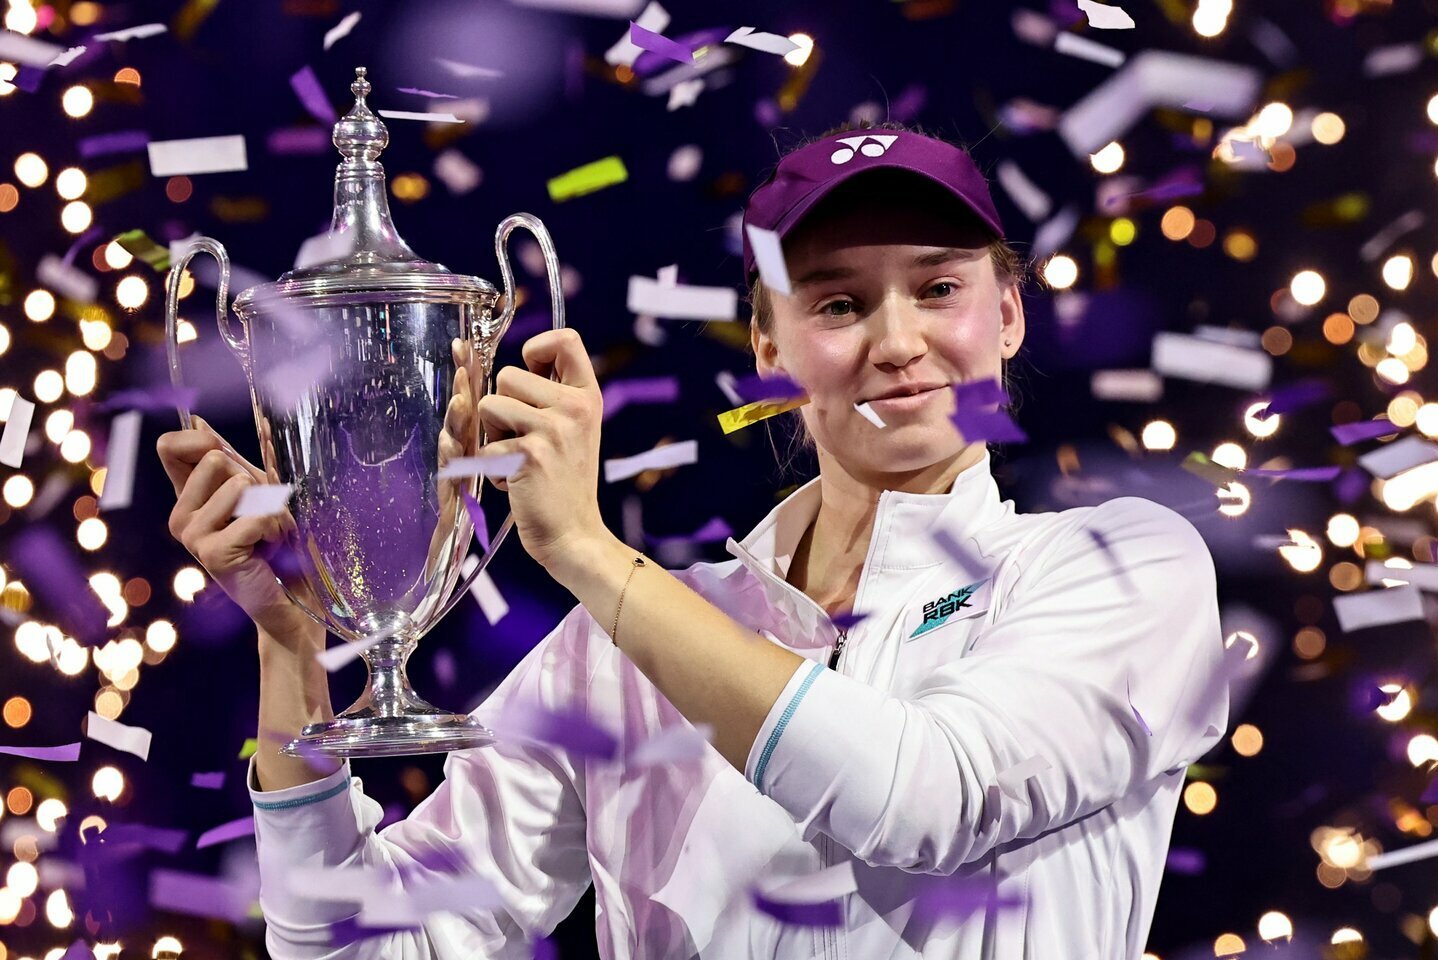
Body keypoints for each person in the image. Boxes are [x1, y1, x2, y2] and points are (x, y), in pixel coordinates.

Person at [157, 121, 1230, 959]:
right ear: (768, 345)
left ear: (1008, 314)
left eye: (939, 288)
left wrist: (588, 553)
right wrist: (291, 647)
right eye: (839, 304)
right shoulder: (618, 646)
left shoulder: (1119, 566)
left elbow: (926, 799)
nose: (898, 342)